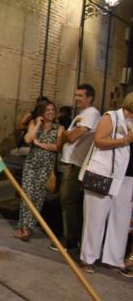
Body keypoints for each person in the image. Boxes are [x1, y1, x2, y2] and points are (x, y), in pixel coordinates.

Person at [79, 93, 133, 277]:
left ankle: (114, 259)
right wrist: (125, 140)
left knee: (121, 220)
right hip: (103, 175)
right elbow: (99, 141)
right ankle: (88, 258)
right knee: (95, 219)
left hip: (127, 178)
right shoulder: (112, 117)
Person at [51, 84, 101, 251]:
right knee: (68, 200)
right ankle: (72, 236)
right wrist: (66, 134)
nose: (77, 98)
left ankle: (70, 239)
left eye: (80, 95)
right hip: (70, 162)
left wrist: (64, 134)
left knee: (67, 199)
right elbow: (68, 135)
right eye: (76, 95)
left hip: (76, 163)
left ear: (90, 98)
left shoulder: (92, 114)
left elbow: (72, 137)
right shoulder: (81, 115)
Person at [14, 100, 64, 241]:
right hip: (31, 164)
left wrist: (39, 143)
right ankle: (23, 227)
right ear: (41, 112)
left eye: (52, 110)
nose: (50, 112)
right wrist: (37, 125)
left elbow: (57, 147)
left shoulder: (59, 128)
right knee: (27, 195)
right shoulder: (34, 124)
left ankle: (29, 227)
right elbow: (28, 139)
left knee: (38, 197)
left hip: (46, 167)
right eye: (47, 110)